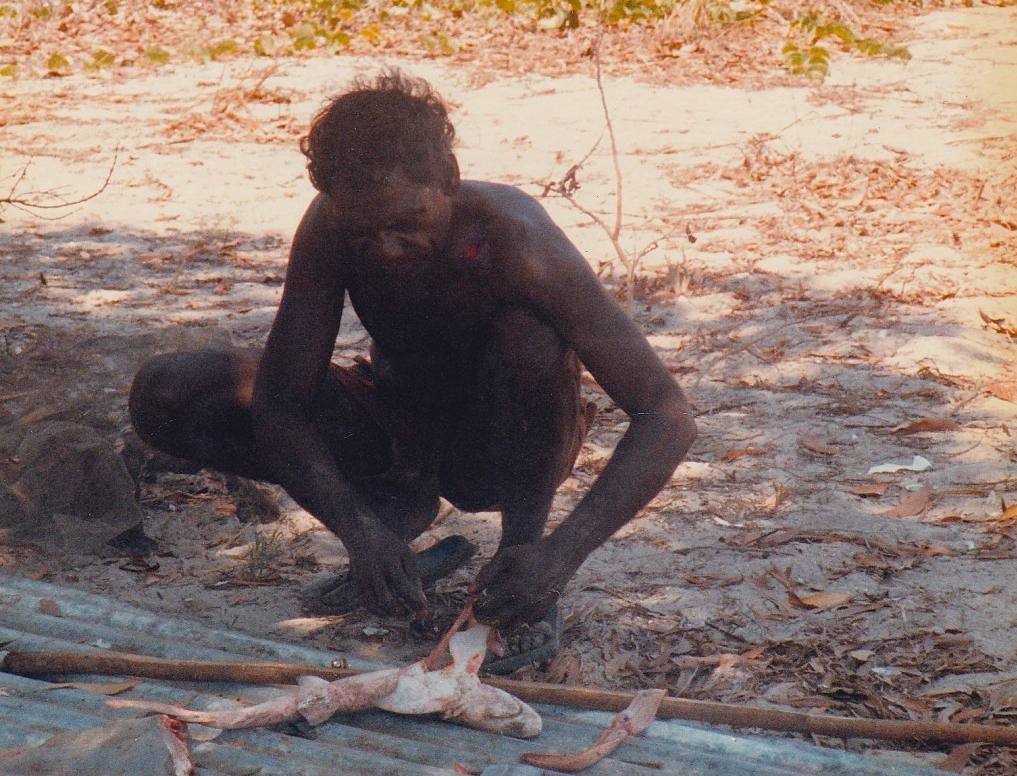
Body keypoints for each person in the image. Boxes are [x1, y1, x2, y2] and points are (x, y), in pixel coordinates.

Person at [129, 70, 696, 668]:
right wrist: (356, 526)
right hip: (397, 423)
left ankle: (521, 572)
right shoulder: (330, 229)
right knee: (168, 394)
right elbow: (280, 402)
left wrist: (561, 553)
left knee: (530, 336)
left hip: (499, 451)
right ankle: (394, 526)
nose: (387, 249)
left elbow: (667, 414)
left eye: (406, 222)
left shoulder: (515, 241)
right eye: (364, 231)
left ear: (447, 179)